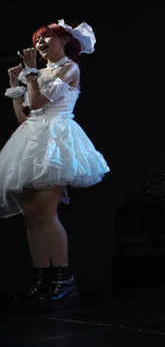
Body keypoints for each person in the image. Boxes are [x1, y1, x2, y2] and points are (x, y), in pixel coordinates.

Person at [2, 21, 107, 310]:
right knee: (31, 218)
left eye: (46, 37)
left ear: (64, 40)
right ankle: (42, 281)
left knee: (46, 215)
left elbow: (37, 103)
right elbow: (24, 117)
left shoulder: (69, 68)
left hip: (55, 140)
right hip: (31, 141)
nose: (40, 43)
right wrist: (14, 84)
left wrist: (30, 73)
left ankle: (65, 281)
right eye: (37, 39)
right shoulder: (39, 73)